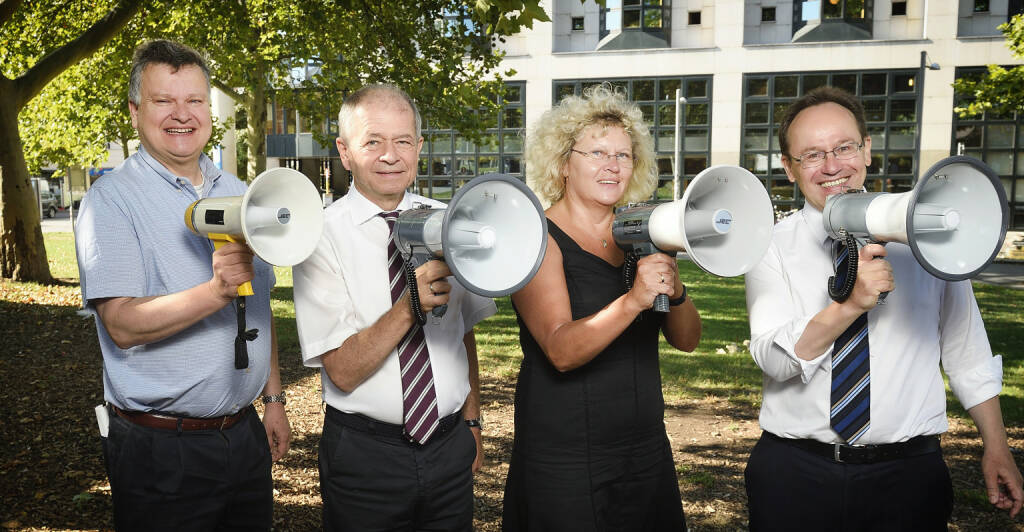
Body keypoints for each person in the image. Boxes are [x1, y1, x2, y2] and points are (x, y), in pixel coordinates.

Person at [744, 86, 1023, 530]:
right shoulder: (770, 247)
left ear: (868, 150)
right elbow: (776, 361)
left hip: (909, 476)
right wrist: (849, 305)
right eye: (812, 155)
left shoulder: (924, 238)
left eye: (844, 147)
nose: (833, 166)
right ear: (789, 168)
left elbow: (966, 351)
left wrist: (997, 445)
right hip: (796, 473)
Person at [74, 40, 290, 531]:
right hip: (161, 451)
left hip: (243, 435)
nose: (181, 115)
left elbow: (259, 310)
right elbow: (123, 324)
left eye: (194, 100)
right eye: (163, 100)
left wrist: (272, 400)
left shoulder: (241, 193)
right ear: (134, 111)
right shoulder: (111, 201)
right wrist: (214, 291)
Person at [292, 84, 496, 531]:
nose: (390, 155)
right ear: (345, 152)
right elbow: (342, 371)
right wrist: (410, 305)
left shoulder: (450, 222)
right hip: (366, 457)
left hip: (448, 448)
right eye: (373, 141)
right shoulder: (318, 237)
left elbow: (463, 332)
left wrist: (472, 417)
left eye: (403, 140)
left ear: (419, 148)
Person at [501, 84, 702, 531]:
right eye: (596, 153)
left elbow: (687, 341)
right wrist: (633, 301)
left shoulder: (639, 235)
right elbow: (560, 350)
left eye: (624, 155)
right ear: (562, 163)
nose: (613, 165)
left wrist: (675, 283)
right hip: (565, 456)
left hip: (644, 447)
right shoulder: (536, 239)